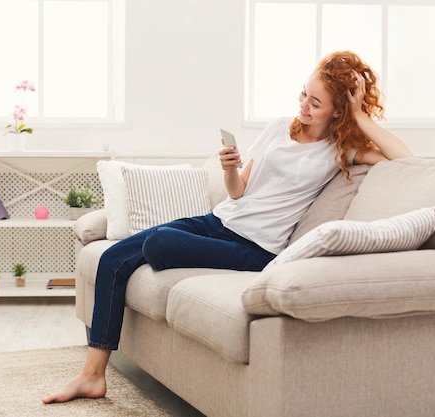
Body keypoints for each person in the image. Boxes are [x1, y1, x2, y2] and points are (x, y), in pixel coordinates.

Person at [42, 50, 413, 404]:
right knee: (112, 258)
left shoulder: (340, 149)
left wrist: (361, 117)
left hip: (256, 249)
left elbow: (404, 159)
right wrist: (229, 167)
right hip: (219, 221)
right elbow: (238, 193)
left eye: (316, 103)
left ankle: (93, 376)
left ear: (338, 111)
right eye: (303, 93)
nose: (303, 104)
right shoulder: (278, 128)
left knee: (159, 243)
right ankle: (92, 376)